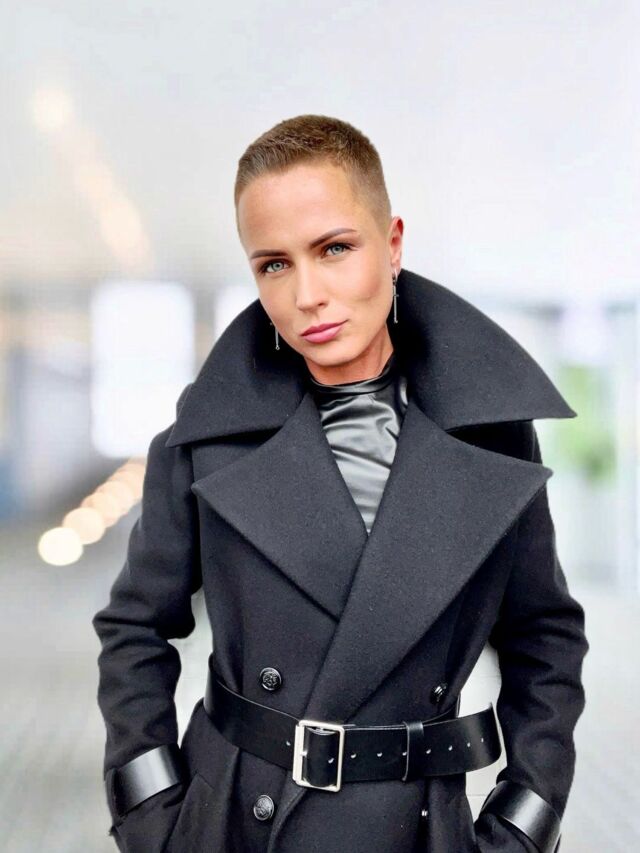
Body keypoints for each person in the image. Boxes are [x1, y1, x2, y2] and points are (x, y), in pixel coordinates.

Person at [92, 114, 589, 853]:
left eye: (334, 249)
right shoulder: (204, 440)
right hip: (237, 824)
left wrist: (524, 822)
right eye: (274, 264)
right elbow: (134, 628)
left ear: (393, 243)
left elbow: (544, 638)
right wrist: (153, 818)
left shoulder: (490, 438)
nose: (307, 294)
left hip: (420, 827)